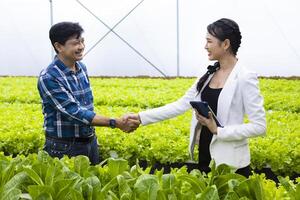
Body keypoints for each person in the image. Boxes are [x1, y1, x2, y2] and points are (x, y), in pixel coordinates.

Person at [125, 18, 266, 177]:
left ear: (225, 44)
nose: (205, 46)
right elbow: (180, 105)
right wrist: (140, 117)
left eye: (209, 41)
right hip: (206, 154)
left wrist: (218, 130)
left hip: (232, 163)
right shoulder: (208, 74)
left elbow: (260, 126)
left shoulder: (245, 77)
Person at [37, 22, 139, 165]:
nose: (81, 47)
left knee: (91, 185)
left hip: (89, 141)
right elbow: (75, 113)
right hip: (64, 146)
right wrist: (115, 122)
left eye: (82, 41)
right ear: (59, 46)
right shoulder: (49, 77)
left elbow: (86, 107)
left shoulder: (81, 68)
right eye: (75, 43)